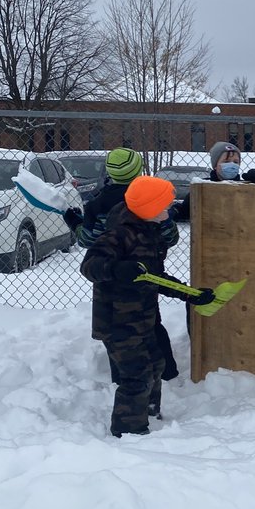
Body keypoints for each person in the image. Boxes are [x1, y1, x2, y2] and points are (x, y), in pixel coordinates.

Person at [80, 176, 214, 438]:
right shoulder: (119, 235)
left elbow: (156, 278)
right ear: (149, 208)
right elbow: (89, 266)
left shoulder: (149, 233)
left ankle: (150, 413)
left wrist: (192, 295)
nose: (169, 209)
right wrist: (118, 269)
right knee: (137, 375)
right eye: (165, 205)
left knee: (155, 364)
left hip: (142, 318)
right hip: (117, 321)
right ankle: (129, 430)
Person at [64, 147, 180, 382]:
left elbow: (88, 240)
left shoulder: (97, 203)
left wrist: (75, 222)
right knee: (152, 322)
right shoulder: (149, 197)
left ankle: (122, 375)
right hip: (147, 270)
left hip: (112, 281)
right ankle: (168, 372)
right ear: (137, 169)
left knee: (118, 332)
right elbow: (170, 236)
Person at [170, 141, 255, 221]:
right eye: (226, 161)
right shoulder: (202, 187)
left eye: (235, 162)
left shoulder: (246, 187)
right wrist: (173, 211)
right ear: (215, 165)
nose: (232, 165)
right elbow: (185, 211)